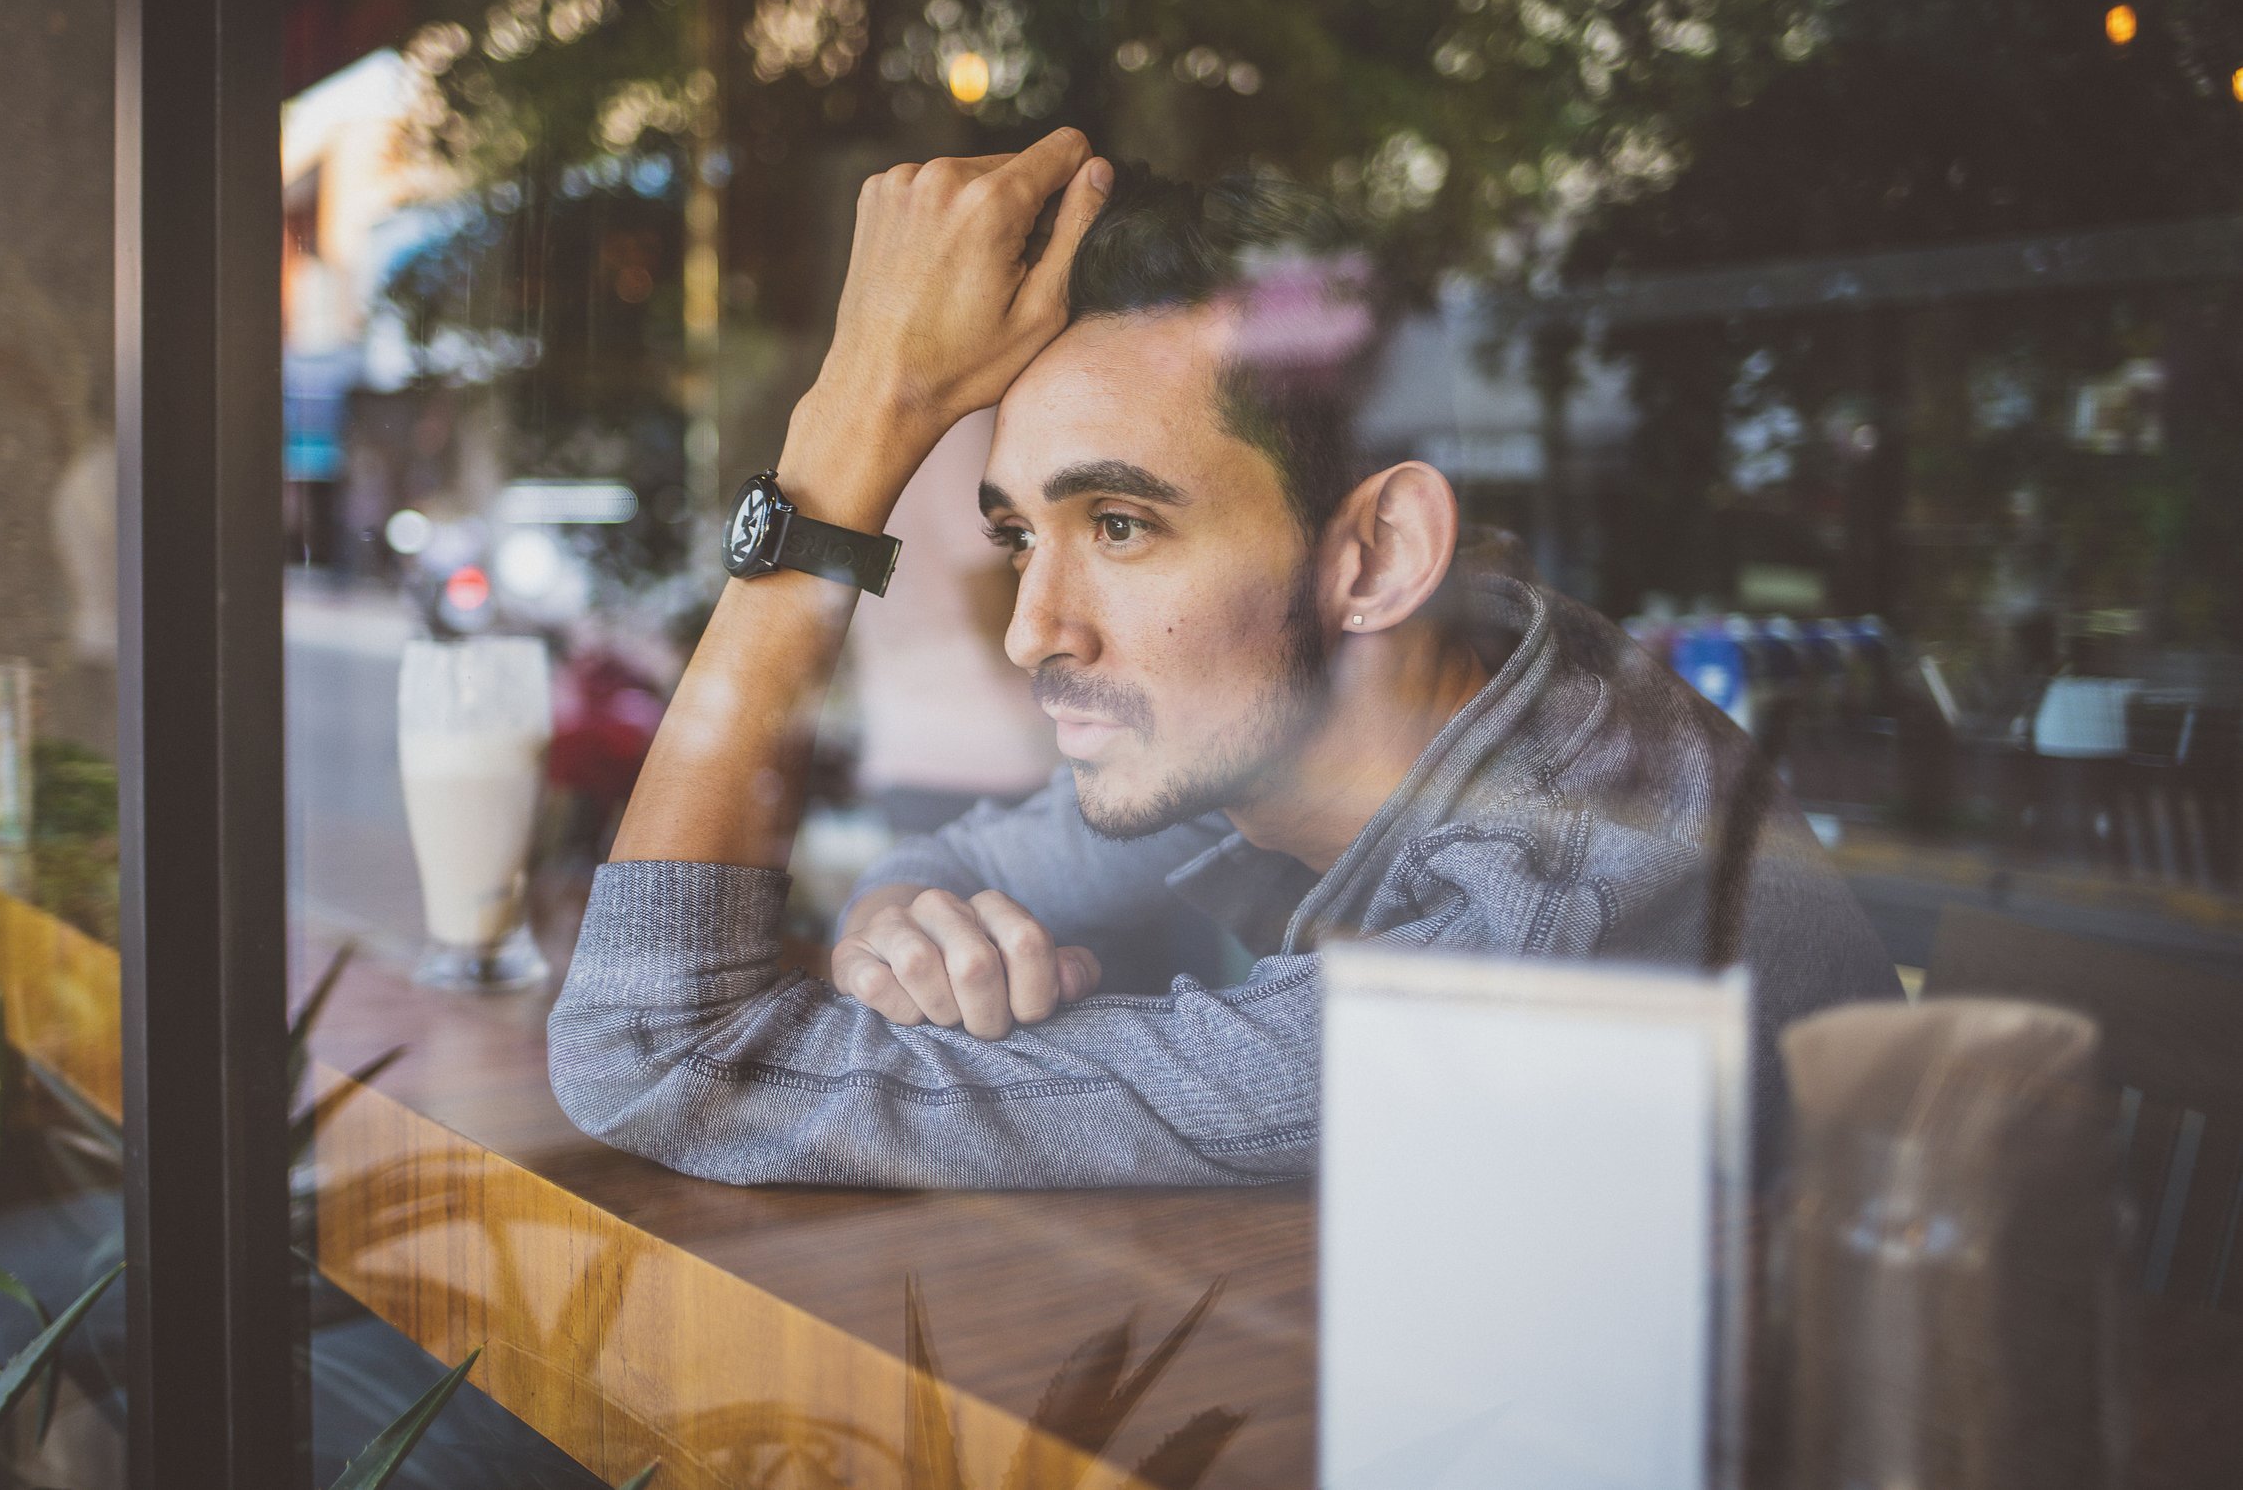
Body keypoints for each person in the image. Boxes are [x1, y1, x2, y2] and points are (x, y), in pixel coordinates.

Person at [547, 129, 1897, 1189]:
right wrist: (909, 932)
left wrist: (851, 426)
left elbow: (659, 1053)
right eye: (1021, 536)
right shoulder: (1428, 698)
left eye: (1123, 525)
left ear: (1374, 557)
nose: (1033, 631)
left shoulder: (1526, 948)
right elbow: (954, 866)